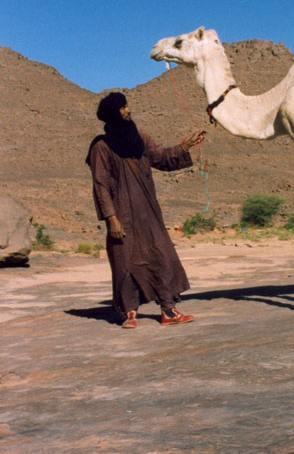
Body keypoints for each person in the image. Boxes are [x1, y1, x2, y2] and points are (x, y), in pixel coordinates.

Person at [85, 92, 205, 328]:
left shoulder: (139, 138)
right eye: (123, 108)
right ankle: (129, 312)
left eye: (127, 106)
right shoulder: (101, 146)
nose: (129, 110)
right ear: (113, 113)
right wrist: (112, 219)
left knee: (161, 254)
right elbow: (100, 184)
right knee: (125, 261)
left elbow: (161, 157)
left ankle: (168, 310)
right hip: (121, 213)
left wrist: (183, 147)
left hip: (148, 211)